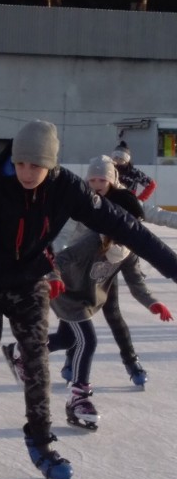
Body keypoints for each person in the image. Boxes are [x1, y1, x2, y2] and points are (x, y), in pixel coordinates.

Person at [0, 120, 177, 479]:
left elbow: (125, 226)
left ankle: (40, 440)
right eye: (21, 164)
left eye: (36, 165)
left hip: (29, 280)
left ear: (51, 164)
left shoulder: (68, 188)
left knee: (36, 362)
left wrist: (172, 267)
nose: (26, 172)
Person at [4, 189, 173, 431]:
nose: (131, 230)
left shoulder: (127, 251)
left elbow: (136, 283)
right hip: (67, 295)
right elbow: (61, 259)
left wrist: (152, 302)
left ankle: (21, 351)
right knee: (88, 340)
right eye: (128, 223)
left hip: (86, 300)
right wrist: (53, 278)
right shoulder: (93, 241)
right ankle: (79, 398)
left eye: (136, 225)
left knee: (67, 338)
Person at [53, 156, 153, 386]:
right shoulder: (82, 201)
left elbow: (153, 214)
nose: (97, 184)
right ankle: (70, 361)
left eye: (102, 179)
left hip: (108, 264)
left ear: (111, 180)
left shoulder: (123, 200)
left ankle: (131, 361)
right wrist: (60, 260)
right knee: (72, 318)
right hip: (79, 266)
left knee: (114, 314)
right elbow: (63, 233)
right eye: (92, 179)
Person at [112, 140, 177, 230]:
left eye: (121, 159)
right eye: (116, 158)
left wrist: (140, 199)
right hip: (112, 203)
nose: (118, 161)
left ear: (126, 160)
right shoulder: (109, 170)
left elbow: (151, 184)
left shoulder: (134, 172)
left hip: (130, 204)